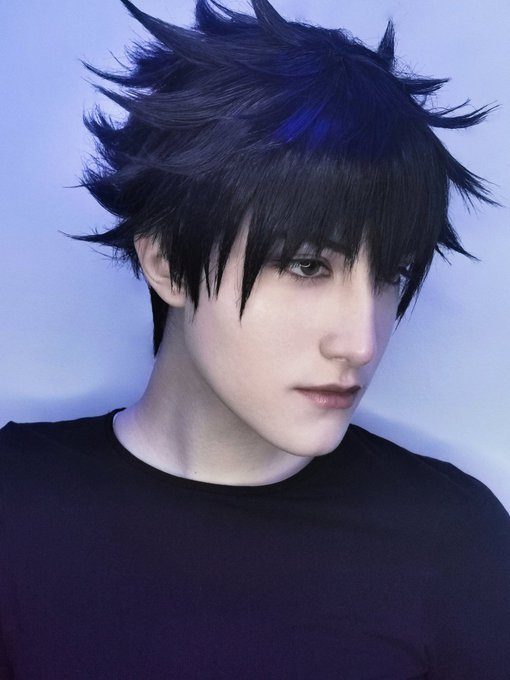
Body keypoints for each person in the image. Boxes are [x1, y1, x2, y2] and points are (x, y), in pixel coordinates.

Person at [1, 0, 509, 677]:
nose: (361, 342)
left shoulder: (454, 541)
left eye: (391, 274)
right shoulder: (17, 502)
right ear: (167, 261)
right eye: (307, 265)